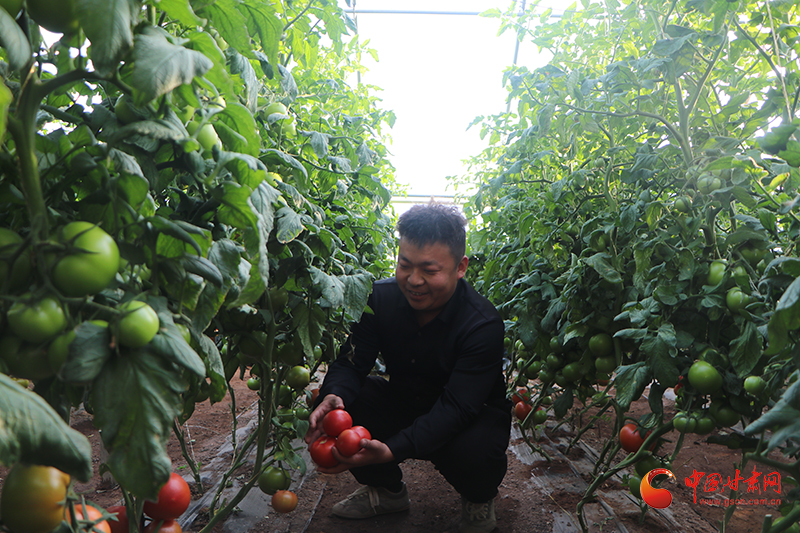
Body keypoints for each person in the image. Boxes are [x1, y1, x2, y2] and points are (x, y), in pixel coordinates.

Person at [304, 203, 511, 533]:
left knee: (478, 450)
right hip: (404, 400)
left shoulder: (482, 324)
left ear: (460, 267)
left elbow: (458, 408)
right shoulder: (379, 299)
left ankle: (478, 497)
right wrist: (333, 395)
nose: (414, 280)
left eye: (429, 270)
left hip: (464, 418)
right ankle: (387, 492)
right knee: (342, 405)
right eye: (405, 265)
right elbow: (351, 362)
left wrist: (390, 449)